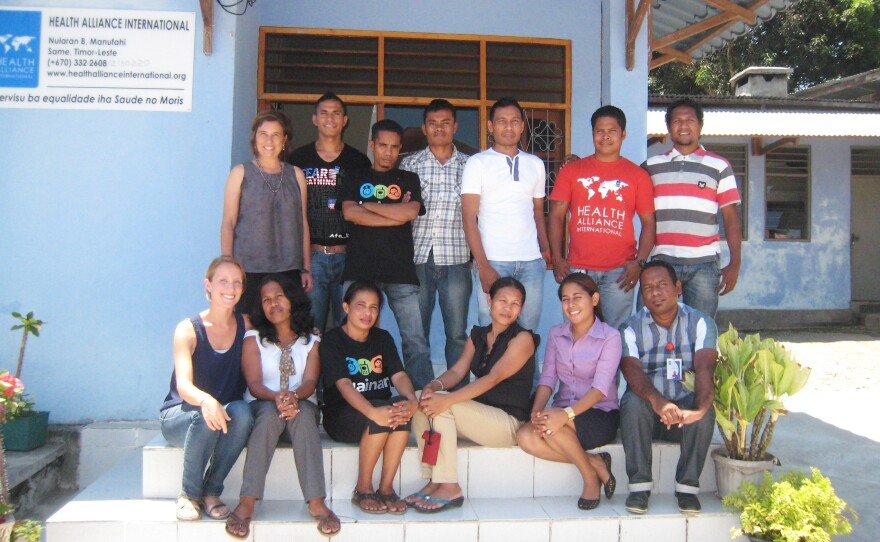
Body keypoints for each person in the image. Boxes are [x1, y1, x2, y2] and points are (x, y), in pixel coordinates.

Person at [409, 277, 538, 513]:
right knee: (421, 400)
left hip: (507, 423)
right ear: (489, 300)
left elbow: (493, 378)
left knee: (444, 406)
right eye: (502, 301)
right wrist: (434, 386)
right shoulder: (478, 335)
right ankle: (435, 479)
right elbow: (458, 370)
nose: (508, 308)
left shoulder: (523, 339)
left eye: (515, 304)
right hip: (479, 417)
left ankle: (450, 486)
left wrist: (446, 399)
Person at [225, 275, 339, 539]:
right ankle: (247, 501)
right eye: (266, 300)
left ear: (292, 301)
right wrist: (277, 397)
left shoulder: (311, 341)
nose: (273, 304)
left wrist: (294, 396)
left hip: (301, 405)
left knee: (303, 416)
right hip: (264, 404)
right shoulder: (253, 338)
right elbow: (254, 384)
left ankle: (316, 501)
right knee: (268, 416)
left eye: (279, 297)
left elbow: (311, 381)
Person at [339, 119, 434, 389]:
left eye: (394, 147)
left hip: (400, 272)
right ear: (372, 145)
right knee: (352, 336)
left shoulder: (408, 179)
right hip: (360, 271)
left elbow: (410, 213)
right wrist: (393, 214)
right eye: (383, 145)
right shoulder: (355, 176)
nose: (388, 152)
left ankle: (423, 402)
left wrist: (368, 205)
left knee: (415, 339)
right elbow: (349, 213)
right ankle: (351, 396)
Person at [619, 260, 718, 515]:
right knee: (632, 402)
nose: (654, 293)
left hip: (683, 413)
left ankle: (687, 489)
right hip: (649, 413)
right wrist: (658, 402)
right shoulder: (630, 327)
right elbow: (631, 370)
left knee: (706, 409)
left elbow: (705, 369)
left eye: (662, 285)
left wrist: (698, 410)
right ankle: (639, 486)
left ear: (678, 287)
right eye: (648, 288)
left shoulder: (700, 322)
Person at [160, 256, 254, 522]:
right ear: (208, 285)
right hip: (182, 415)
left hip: (222, 416)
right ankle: (189, 495)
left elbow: (278, 334)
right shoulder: (188, 329)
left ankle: (211, 492)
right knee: (204, 416)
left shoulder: (245, 324)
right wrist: (206, 401)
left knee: (244, 413)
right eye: (223, 280)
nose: (230, 287)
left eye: (237, 282)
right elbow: (184, 386)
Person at [516, 273, 619, 510]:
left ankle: (589, 478)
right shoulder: (556, 333)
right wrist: (537, 410)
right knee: (524, 436)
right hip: (561, 412)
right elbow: (548, 378)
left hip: (599, 414)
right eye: (565, 299)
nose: (570, 305)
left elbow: (600, 389)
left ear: (594, 299)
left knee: (552, 426)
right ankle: (595, 462)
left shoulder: (610, 337)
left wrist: (566, 414)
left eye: (577, 298)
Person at [549, 105, 656, 328]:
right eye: (599, 131)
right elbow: (556, 216)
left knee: (616, 333)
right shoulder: (572, 171)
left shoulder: (638, 176)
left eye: (612, 130)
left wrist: (640, 262)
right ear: (592, 133)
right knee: (577, 330)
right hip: (578, 267)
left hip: (620, 271)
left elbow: (648, 223)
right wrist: (557, 259)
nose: (605, 136)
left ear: (623, 134)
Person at [320, 281, 419, 515]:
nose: (368, 313)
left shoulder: (382, 338)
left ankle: (386, 489)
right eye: (361, 306)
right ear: (346, 307)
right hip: (343, 415)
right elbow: (344, 385)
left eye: (374, 307)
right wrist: (372, 412)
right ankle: (363, 488)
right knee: (382, 415)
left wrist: (411, 399)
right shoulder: (332, 340)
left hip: (380, 409)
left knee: (400, 411)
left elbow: (399, 374)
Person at [642, 98, 742, 318]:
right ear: (668, 128)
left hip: (704, 265)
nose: (684, 125)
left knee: (702, 331)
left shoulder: (719, 166)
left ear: (700, 125)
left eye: (690, 120)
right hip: (662, 262)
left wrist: (735, 263)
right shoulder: (651, 166)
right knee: (656, 330)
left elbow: (730, 218)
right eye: (677, 121)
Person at [462, 97, 550, 335]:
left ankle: (525, 375)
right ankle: (487, 374)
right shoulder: (477, 163)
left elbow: (538, 213)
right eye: (501, 121)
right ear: (490, 126)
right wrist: (483, 266)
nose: (508, 127)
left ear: (522, 126)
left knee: (527, 332)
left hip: (531, 263)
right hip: (493, 261)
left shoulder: (535, 164)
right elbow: (469, 217)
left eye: (514, 121)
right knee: (490, 332)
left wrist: (544, 252)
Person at [400, 99, 472, 388]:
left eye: (445, 123)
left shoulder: (471, 166)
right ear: (424, 128)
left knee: (456, 334)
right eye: (433, 123)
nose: (439, 128)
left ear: (455, 126)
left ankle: (456, 399)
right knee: (418, 334)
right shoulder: (409, 164)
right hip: (417, 260)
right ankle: (420, 396)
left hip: (456, 260)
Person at [288, 93, 372, 332]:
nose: (330, 118)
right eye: (324, 112)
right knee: (310, 328)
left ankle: (340, 372)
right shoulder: (298, 160)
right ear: (314, 119)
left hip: (349, 255)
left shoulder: (358, 161)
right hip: (312, 256)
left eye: (336, 113)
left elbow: (365, 210)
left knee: (348, 328)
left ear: (345, 120)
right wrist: (301, 263)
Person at [221, 110, 312, 314]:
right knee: (249, 328)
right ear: (255, 137)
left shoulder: (296, 174)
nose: (269, 140)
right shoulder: (240, 173)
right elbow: (228, 222)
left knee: (288, 328)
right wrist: (227, 267)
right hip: (249, 270)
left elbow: (303, 224)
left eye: (276, 134)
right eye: (263, 134)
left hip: (289, 269)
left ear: (284, 139)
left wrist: (306, 268)